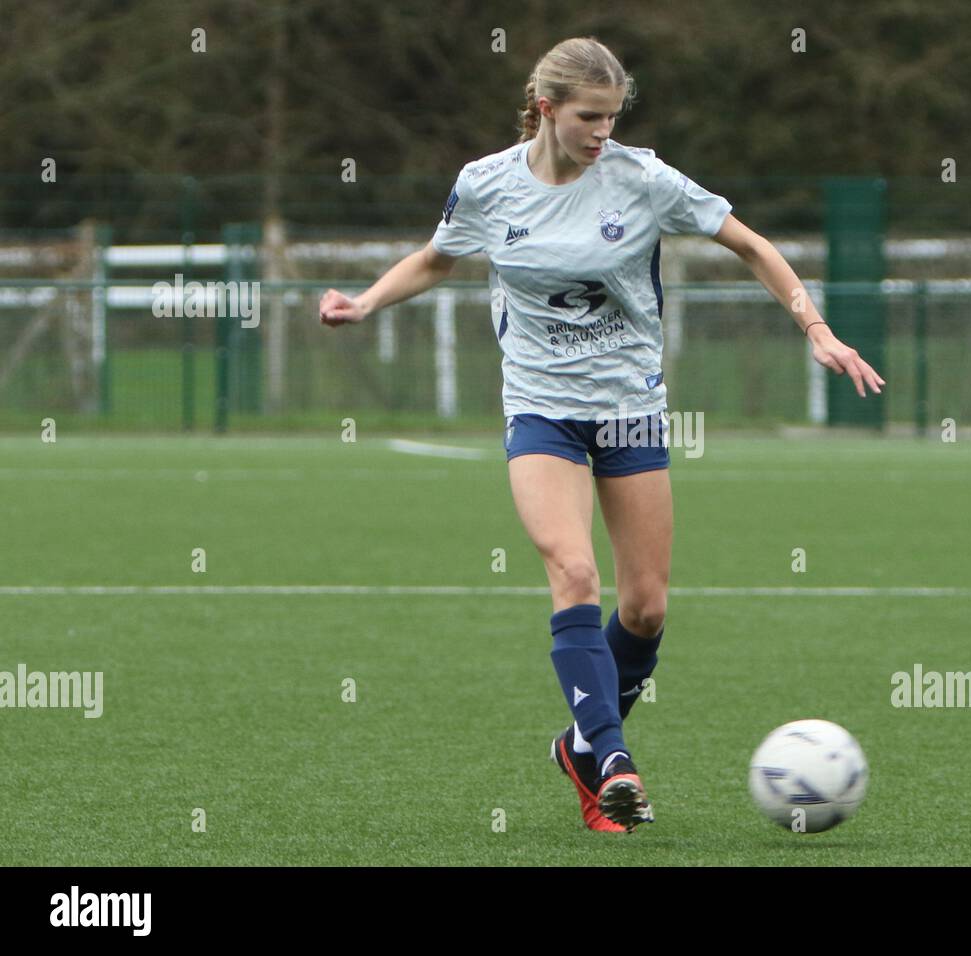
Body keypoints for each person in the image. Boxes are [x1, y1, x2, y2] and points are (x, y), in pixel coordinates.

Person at [319, 36, 884, 833]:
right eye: (589, 117)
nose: (602, 133)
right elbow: (437, 259)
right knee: (573, 570)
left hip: (630, 410)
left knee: (646, 609)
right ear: (546, 109)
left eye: (613, 117)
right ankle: (612, 758)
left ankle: (578, 746)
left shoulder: (642, 177)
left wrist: (816, 329)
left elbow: (752, 245)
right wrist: (367, 303)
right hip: (540, 409)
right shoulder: (486, 184)